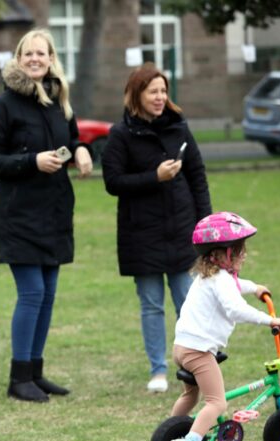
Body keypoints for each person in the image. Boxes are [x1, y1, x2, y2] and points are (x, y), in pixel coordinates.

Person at [0, 28, 92, 403]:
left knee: (48, 295)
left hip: (55, 211)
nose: (35, 60)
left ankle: (36, 373)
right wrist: (32, 161)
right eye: (28, 54)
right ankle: (18, 377)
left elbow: (71, 138)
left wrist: (81, 151)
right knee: (32, 293)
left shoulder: (58, 99)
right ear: (18, 58)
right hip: (19, 216)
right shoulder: (5, 105)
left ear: (51, 58)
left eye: (41, 54)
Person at [101, 63, 212, 394]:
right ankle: (158, 370)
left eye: (164, 91)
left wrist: (205, 225)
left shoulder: (179, 129)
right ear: (137, 95)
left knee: (188, 302)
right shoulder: (120, 135)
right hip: (141, 234)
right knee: (151, 303)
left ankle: (195, 365)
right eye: (153, 92)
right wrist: (155, 177)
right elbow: (113, 181)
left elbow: (198, 176)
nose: (161, 97)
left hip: (181, 230)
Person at [169, 212, 280, 441]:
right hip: (198, 351)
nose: (244, 255)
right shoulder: (221, 279)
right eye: (240, 250)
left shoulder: (211, 276)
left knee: (191, 396)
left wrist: (254, 287)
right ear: (224, 254)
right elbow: (234, 308)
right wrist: (270, 321)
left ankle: (169, 432)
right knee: (216, 402)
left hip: (182, 348)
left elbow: (234, 286)